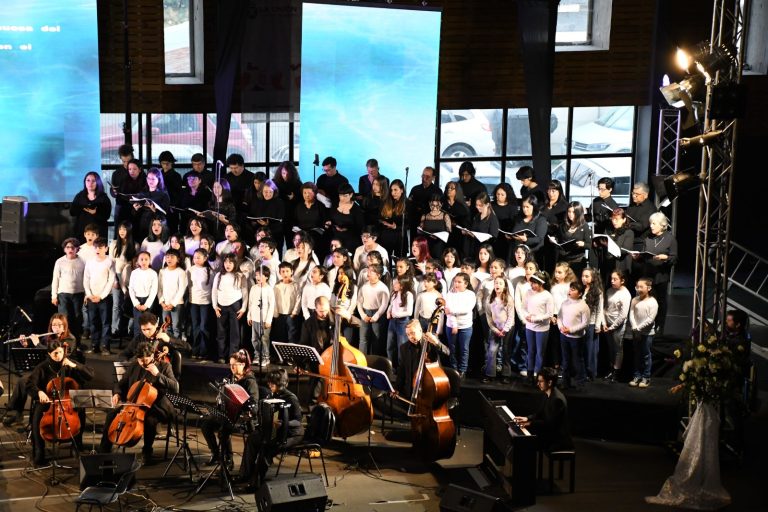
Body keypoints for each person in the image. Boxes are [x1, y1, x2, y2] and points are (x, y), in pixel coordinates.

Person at [99, 341, 179, 464]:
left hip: (157, 406)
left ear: (152, 356)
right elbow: (121, 384)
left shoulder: (164, 366)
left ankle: (147, 451)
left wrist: (157, 374)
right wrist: (117, 393)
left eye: (146, 360)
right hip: (135, 404)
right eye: (141, 360)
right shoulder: (135, 365)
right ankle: (103, 451)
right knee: (111, 414)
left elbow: (175, 387)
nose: (143, 363)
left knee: (149, 420)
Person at [2, 315, 78, 428]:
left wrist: (37, 343)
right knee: (22, 381)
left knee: (24, 381)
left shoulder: (70, 340)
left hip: (60, 373)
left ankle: (14, 411)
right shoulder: (48, 338)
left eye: (59, 325)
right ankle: (17, 413)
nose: (55, 327)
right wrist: (26, 345)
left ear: (64, 326)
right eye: (53, 325)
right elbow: (38, 356)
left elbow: (55, 356)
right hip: (45, 371)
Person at [28, 340, 94, 466]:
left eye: (61, 352)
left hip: (68, 400)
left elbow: (90, 375)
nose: (59, 356)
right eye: (55, 353)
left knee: (81, 408)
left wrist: (74, 366)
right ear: (49, 354)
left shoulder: (69, 363)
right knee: (36, 415)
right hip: (49, 401)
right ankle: (39, 450)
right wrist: (39, 392)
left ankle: (77, 445)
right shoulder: (42, 367)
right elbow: (30, 384)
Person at [239, 369, 303, 489]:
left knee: (267, 446)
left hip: (292, 434)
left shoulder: (291, 398)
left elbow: (298, 421)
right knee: (253, 438)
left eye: (272, 383)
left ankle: (255, 483)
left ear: (280, 383)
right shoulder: (271, 395)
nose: (269, 385)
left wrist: (284, 423)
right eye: (269, 382)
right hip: (275, 431)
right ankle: (245, 474)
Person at [201, 349, 259, 468]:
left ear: (243, 365)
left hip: (241, 417)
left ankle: (228, 459)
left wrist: (245, 408)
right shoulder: (231, 377)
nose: (231, 367)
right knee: (206, 425)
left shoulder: (250, 381)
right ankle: (216, 454)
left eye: (234, 365)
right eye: (230, 364)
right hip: (227, 413)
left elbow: (254, 403)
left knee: (223, 430)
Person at [513, 367, 573, 452]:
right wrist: (527, 418)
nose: (538, 384)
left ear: (549, 382)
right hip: (549, 432)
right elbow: (540, 413)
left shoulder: (557, 400)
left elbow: (550, 424)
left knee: (526, 443)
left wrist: (530, 423)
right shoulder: (548, 393)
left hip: (557, 439)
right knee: (523, 438)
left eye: (541, 381)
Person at [636, 212, 677, 335]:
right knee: (645, 301)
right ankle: (646, 325)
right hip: (647, 275)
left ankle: (660, 327)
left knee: (660, 302)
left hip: (660, 276)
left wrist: (666, 257)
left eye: (654, 224)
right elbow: (644, 256)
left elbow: (674, 258)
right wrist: (637, 257)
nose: (651, 226)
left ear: (662, 225)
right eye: (650, 223)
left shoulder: (670, 239)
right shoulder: (648, 238)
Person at [395, 319, 450, 400]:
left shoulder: (431, 342)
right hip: (411, 391)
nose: (410, 337)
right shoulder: (404, 348)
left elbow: (447, 353)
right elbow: (402, 370)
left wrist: (436, 343)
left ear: (420, 330)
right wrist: (397, 388)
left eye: (413, 333)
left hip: (429, 389)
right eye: (408, 334)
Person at [212, 254, 248, 363]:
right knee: (221, 332)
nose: (228, 264)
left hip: (235, 305)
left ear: (235, 263)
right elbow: (214, 291)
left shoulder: (240, 275)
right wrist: (215, 306)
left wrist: (243, 308)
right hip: (221, 305)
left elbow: (245, 292)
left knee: (235, 333)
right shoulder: (219, 275)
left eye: (230, 262)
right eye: (226, 262)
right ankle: (221, 356)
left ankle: (233, 356)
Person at [84, 238, 115, 354]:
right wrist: (89, 294)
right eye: (96, 247)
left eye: (101, 247)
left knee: (106, 323)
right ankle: (94, 346)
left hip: (105, 298)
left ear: (106, 249)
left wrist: (101, 296)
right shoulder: (90, 261)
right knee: (93, 323)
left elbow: (110, 280)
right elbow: (86, 279)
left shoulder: (110, 261)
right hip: (92, 297)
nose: (98, 250)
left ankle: (105, 347)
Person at [51, 237, 86, 343]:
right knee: (64, 319)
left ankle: (76, 343)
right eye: (68, 247)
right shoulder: (59, 262)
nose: (70, 249)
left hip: (78, 293)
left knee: (77, 318)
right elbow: (55, 279)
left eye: (73, 247)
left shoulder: (83, 261)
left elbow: (86, 279)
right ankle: (63, 342)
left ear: (77, 249)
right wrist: (54, 295)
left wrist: (86, 294)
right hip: (63, 294)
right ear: (64, 249)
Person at [557, 281, 590, 388]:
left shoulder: (583, 306)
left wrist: (570, 330)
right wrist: (561, 327)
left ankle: (580, 382)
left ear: (580, 293)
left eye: (573, 289)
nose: (570, 291)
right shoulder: (564, 303)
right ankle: (565, 382)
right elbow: (559, 317)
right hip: (564, 336)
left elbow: (585, 324)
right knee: (565, 360)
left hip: (577, 338)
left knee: (577, 360)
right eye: (570, 289)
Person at [628, 277, 658, 388]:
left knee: (646, 355)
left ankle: (646, 377)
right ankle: (637, 375)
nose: (638, 289)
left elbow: (650, 319)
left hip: (647, 334)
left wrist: (638, 328)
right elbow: (631, 314)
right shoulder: (634, 300)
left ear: (649, 288)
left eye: (641, 287)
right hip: (636, 332)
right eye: (637, 287)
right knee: (637, 354)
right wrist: (635, 327)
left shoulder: (653, 302)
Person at [444, 272, 475, 377]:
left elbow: (466, 309)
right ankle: (454, 369)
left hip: (465, 326)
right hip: (451, 326)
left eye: (459, 282)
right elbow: (447, 311)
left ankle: (463, 370)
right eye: (455, 281)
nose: (456, 284)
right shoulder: (450, 294)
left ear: (465, 284)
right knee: (452, 349)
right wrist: (454, 325)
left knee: (464, 349)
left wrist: (452, 310)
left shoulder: (470, 294)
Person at [602, 270, 631, 382]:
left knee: (618, 348)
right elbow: (605, 308)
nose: (612, 281)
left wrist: (613, 327)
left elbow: (623, 315)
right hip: (607, 324)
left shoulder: (625, 294)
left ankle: (616, 372)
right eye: (611, 279)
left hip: (617, 326)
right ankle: (611, 369)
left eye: (615, 279)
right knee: (610, 348)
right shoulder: (609, 290)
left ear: (622, 280)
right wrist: (604, 323)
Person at [70, 171, 112, 240]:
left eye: (93, 181)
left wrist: (95, 213)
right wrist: (82, 207)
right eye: (88, 180)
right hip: (82, 232)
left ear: (98, 183)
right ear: (85, 182)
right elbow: (72, 212)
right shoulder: (80, 196)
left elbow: (106, 216)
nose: (90, 183)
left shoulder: (103, 198)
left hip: (98, 233)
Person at [248, 267, 276, 367]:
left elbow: (271, 305)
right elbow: (250, 303)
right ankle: (257, 355)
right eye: (256, 275)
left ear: (266, 277)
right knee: (254, 339)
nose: (257, 277)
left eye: (260, 275)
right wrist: (249, 316)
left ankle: (265, 357)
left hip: (264, 320)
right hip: (255, 318)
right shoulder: (254, 288)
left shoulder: (269, 289)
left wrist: (268, 320)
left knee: (264, 339)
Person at [128, 251, 159, 337]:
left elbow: (154, 290)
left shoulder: (153, 273)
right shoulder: (134, 273)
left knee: (148, 324)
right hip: (137, 300)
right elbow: (131, 288)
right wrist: (136, 303)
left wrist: (147, 305)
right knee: (138, 325)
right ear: (137, 261)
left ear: (149, 261)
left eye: (146, 259)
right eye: (141, 259)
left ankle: (147, 346)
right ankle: (137, 346)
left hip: (148, 301)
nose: (144, 261)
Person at [273, 161, 302, 250]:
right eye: (283, 173)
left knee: (291, 244)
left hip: (291, 218)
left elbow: (301, 199)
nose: (285, 175)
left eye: (287, 173)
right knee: (277, 245)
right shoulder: (275, 182)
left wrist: (294, 198)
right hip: (278, 218)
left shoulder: (297, 183)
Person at [407, 166, 442, 241]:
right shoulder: (415, 189)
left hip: (429, 226)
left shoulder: (437, 191)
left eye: (427, 177)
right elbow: (409, 205)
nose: (424, 178)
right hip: (415, 224)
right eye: (423, 176)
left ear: (433, 178)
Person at [326, 183, 364, 250]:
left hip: (349, 235)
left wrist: (346, 229)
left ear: (351, 195)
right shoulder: (335, 204)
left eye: (345, 196)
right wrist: (330, 223)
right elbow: (330, 218)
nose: (342, 198)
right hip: (335, 232)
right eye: (340, 195)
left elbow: (359, 227)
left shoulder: (356, 209)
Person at [379, 179, 408, 258]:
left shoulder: (407, 204)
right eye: (391, 190)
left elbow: (409, 225)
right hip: (387, 236)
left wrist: (396, 227)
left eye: (395, 190)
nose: (393, 193)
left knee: (400, 261)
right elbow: (379, 218)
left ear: (402, 190)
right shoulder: (386, 202)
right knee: (385, 260)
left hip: (400, 237)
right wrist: (383, 222)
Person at [294, 182, 328, 250]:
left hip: (316, 237)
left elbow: (324, 223)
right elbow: (295, 222)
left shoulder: (320, 206)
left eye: (309, 193)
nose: (307, 195)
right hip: (301, 236)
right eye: (305, 193)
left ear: (315, 194)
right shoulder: (299, 206)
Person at [158, 150, 183, 234]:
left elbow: (178, 193)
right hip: (159, 206)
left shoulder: (176, 176)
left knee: (171, 230)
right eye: (163, 163)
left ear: (172, 163)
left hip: (171, 207)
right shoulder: (158, 174)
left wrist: (173, 205)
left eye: (167, 163)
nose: (165, 165)